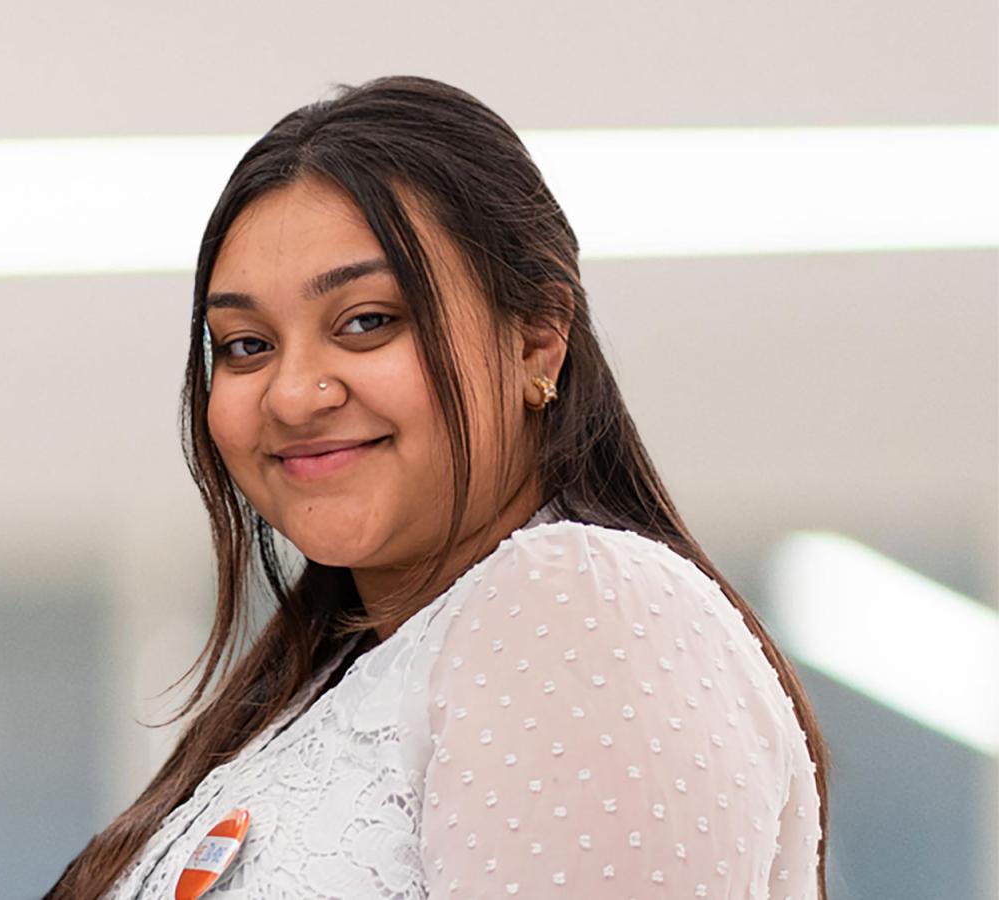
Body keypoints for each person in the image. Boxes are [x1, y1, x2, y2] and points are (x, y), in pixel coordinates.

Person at [47, 75, 827, 899]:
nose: (292, 393)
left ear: (538, 342)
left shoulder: (578, 608)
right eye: (245, 345)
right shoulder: (325, 688)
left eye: (367, 321)